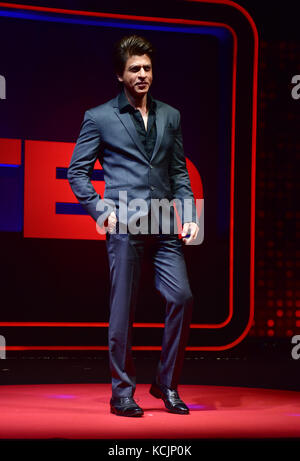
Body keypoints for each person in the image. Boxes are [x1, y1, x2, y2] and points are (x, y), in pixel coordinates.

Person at [67, 34, 199, 417]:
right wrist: (99, 210)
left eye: (147, 68)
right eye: (134, 69)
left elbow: (179, 173)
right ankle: (122, 392)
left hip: (162, 225)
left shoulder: (170, 115)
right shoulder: (100, 117)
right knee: (122, 312)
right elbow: (77, 172)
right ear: (120, 75)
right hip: (124, 224)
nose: (142, 75)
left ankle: (166, 385)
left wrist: (189, 217)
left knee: (182, 298)